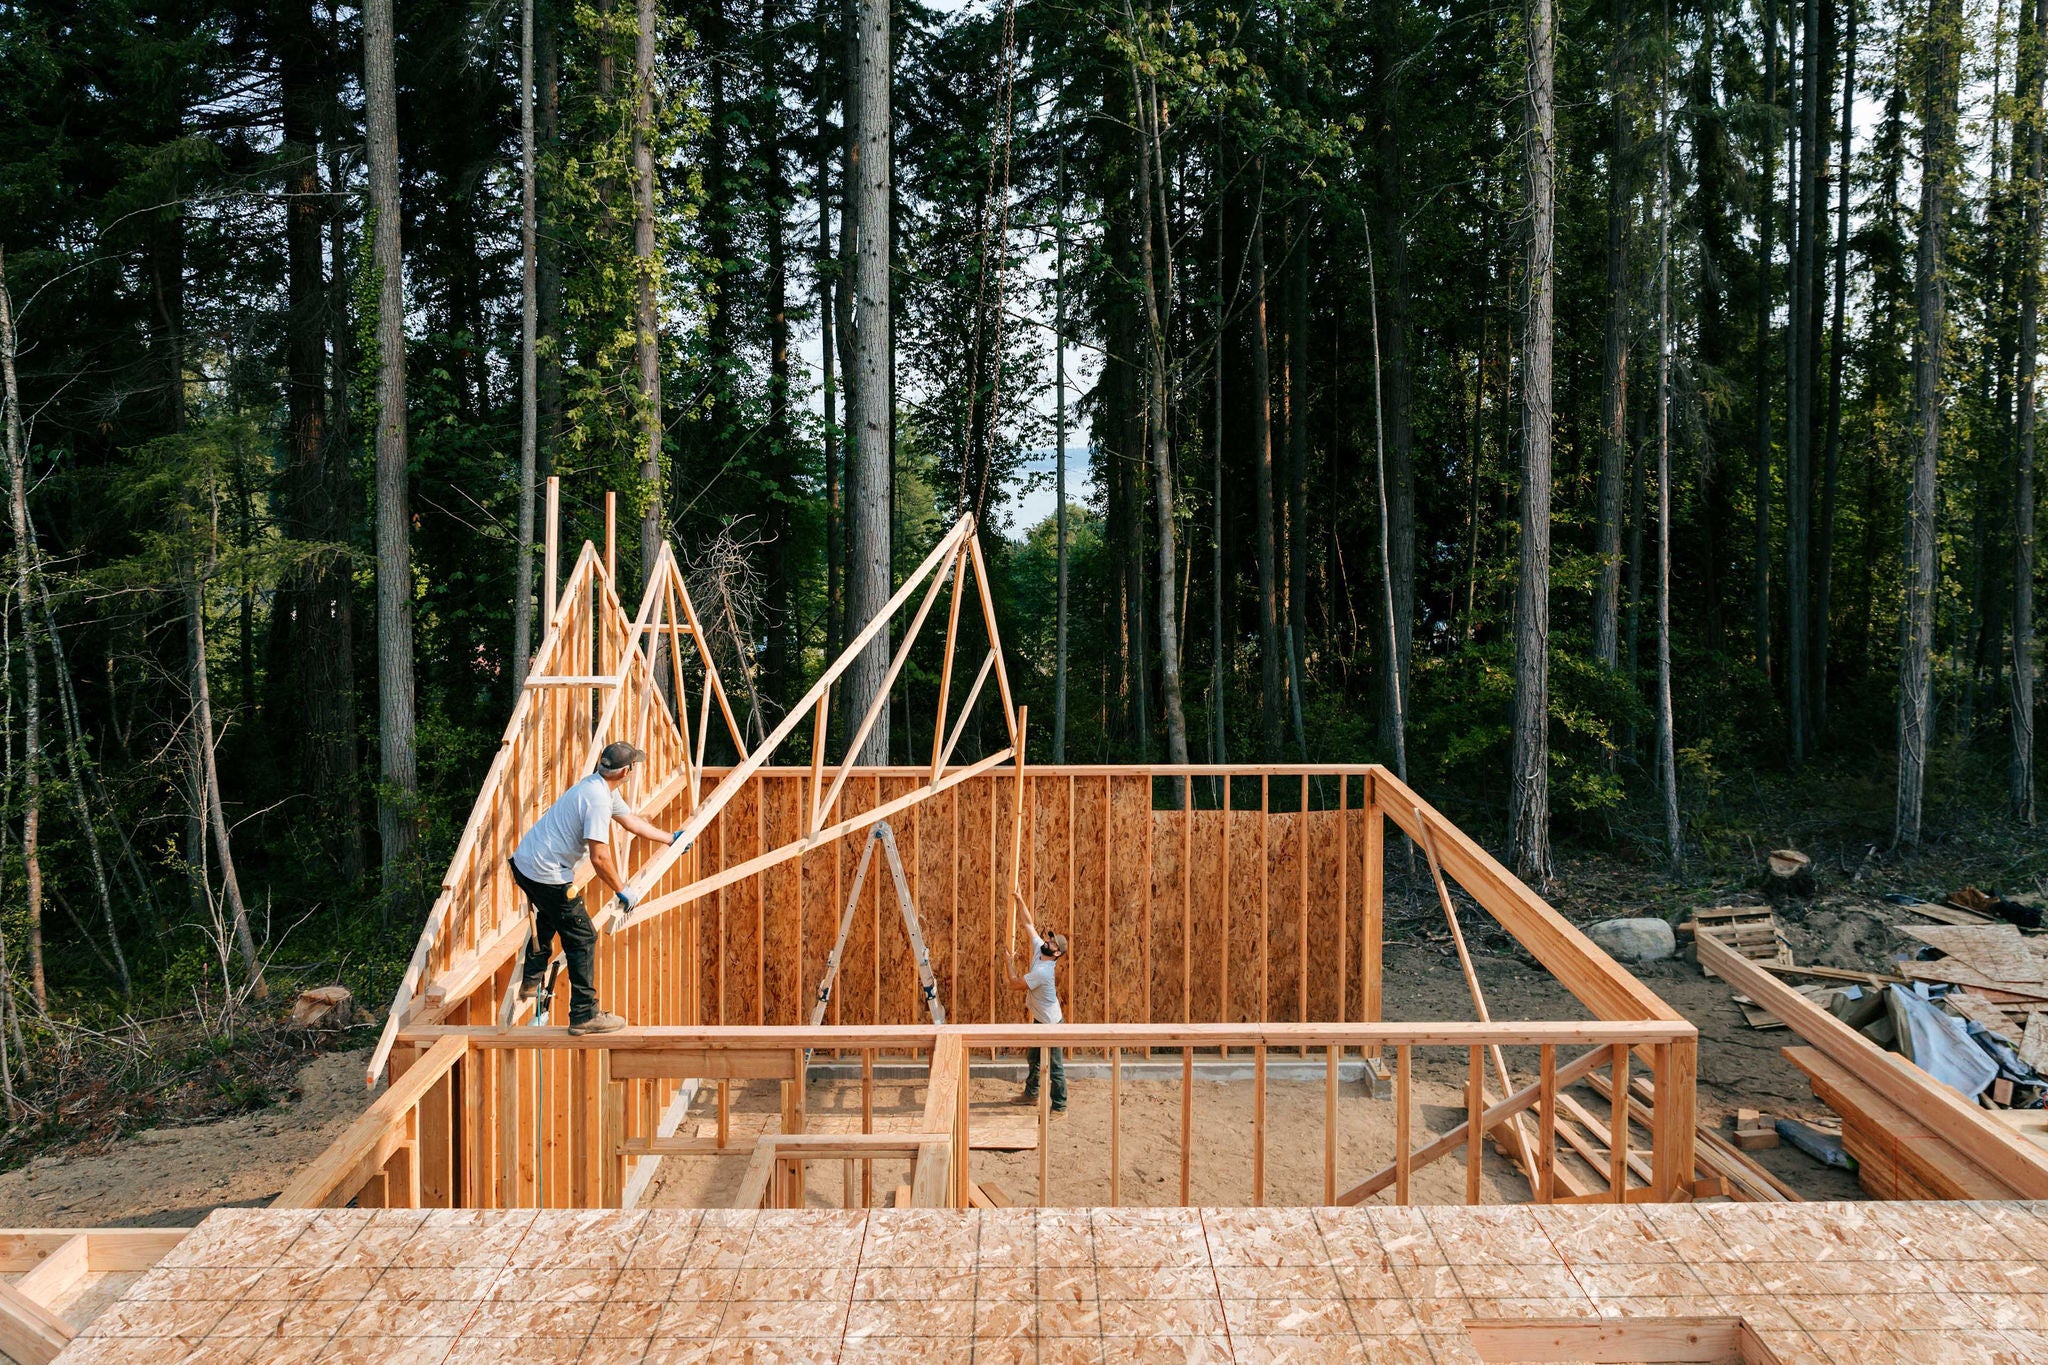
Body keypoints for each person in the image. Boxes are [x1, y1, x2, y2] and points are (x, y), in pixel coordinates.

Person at [510, 740, 682, 1035]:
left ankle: (531, 977)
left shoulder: (596, 787)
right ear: (626, 771)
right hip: (545, 872)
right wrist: (622, 890)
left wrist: (670, 838)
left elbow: (631, 822)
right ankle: (584, 1014)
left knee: (551, 915)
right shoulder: (598, 801)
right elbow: (599, 857)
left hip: (525, 865)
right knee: (582, 936)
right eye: (634, 767)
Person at [1003, 898, 1069, 1113]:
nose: (1048, 942)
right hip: (1040, 1019)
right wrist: (1020, 899)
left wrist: (1009, 963)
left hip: (1051, 1023)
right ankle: (1031, 1095)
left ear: (1056, 954)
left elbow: (1014, 985)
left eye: (1052, 944)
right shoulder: (1040, 949)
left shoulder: (1043, 972)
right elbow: (1028, 924)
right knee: (1033, 1057)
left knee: (1055, 1067)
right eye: (1049, 940)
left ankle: (1060, 1107)